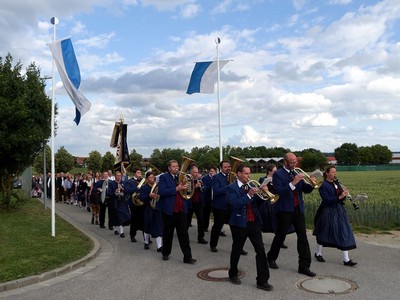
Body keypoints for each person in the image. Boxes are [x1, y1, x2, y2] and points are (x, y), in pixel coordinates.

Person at [267, 152, 316, 277]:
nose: (295, 164)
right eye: (292, 162)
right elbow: (279, 192)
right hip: (284, 210)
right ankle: (271, 258)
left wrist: (311, 183)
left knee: (303, 238)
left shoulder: (296, 172)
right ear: (285, 162)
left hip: (298, 209)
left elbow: (305, 190)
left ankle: (304, 266)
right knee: (280, 236)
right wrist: (292, 183)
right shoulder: (278, 174)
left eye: (295, 162)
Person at [227, 164, 273, 291]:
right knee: (237, 249)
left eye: (249, 173)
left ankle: (262, 281)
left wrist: (263, 193)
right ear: (239, 174)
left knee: (261, 251)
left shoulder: (252, 186)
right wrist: (248, 195)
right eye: (246, 173)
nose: (249, 176)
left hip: (253, 223)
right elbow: (233, 205)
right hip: (239, 223)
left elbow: (257, 204)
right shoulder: (231, 188)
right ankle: (233, 274)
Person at [313, 165, 357, 266]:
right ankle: (318, 253)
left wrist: (344, 195)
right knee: (324, 232)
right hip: (327, 211)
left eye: (335, 172)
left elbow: (340, 198)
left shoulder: (336, 183)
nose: (334, 174)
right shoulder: (322, 185)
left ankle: (346, 259)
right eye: (332, 172)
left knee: (343, 231)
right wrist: (339, 196)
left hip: (338, 210)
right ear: (327, 173)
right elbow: (326, 200)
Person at [158, 159, 196, 264]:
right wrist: (176, 188)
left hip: (181, 210)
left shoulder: (183, 177)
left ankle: (187, 257)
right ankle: (165, 253)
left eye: (177, 166)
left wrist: (188, 187)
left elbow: (188, 192)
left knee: (184, 234)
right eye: (174, 166)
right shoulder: (163, 177)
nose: (176, 168)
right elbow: (161, 192)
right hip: (169, 211)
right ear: (169, 168)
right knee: (168, 233)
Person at [258, 164, 291, 249]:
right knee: (264, 222)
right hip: (267, 202)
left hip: (276, 201)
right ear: (269, 171)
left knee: (279, 222)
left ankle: (280, 241)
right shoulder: (263, 179)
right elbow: (260, 192)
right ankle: (259, 240)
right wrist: (264, 188)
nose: (276, 173)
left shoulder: (277, 179)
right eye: (274, 171)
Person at [209, 160, 231, 253]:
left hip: (230, 204)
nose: (228, 169)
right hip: (219, 206)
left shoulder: (231, 177)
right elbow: (216, 191)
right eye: (225, 167)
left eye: (228, 167)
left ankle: (239, 247)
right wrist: (228, 187)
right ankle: (213, 245)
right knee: (217, 226)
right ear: (221, 168)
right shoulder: (216, 177)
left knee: (235, 227)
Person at [139, 171, 163, 252]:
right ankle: (146, 242)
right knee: (147, 226)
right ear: (147, 179)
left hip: (157, 209)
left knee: (158, 227)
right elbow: (141, 198)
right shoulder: (144, 187)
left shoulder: (158, 186)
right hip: (148, 209)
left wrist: (159, 196)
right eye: (150, 178)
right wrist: (149, 196)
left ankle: (159, 246)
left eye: (153, 177)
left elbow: (161, 195)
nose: (152, 179)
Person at [187, 165, 207, 244]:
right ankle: (184, 237)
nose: (196, 174)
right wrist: (195, 187)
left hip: (198, 203)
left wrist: (202, 186)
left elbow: (203, 189)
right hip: (190, 203)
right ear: (191, 172)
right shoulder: (188, 179)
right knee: (187, 221)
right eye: (195, 172)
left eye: (197, 172)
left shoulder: (199, 179)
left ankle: (201, 238)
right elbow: (188, 192)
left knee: (201, 220)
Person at [125, 168, 144, 243]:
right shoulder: (129, 181)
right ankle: (132, 235)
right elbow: (126, 190)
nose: (140, 174)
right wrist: (136, 188)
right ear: (134, 173)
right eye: (138, 172)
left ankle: (146, 238)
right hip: (133, 203)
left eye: (140, 172)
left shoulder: (143, 181)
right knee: (134, 220)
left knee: (144, 220)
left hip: (142, 202)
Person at [109, 171, 131, 238]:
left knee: (122, 216)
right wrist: (115, 191)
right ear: (115, 176)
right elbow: (109, 193)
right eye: (117, 175)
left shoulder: (123, 183)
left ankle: (122, 232)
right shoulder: (111, 183)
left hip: (122, 201)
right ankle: (115, 229)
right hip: (115, 201)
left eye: (120, 176)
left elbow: (127, 192)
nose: (119, 177)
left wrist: (123, 189)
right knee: (115, 216)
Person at [201, 166, 217, 232]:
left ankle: (217, 229)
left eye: (213, 171)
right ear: (209, 172)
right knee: (206, 214)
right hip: (207, 199)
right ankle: (205, 227)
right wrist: (212, 186)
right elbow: (204, 187)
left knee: (216, 215)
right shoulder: (205, 178)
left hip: (215, 199)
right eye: (211, 171)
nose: (212, 172)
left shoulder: (217, 178)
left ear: (216, 172)